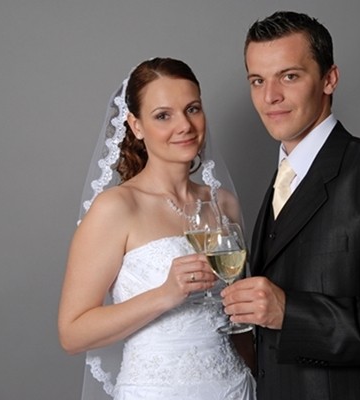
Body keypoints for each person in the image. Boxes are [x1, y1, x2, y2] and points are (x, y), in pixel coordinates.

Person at [221, 11, 360, 400]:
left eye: (289, 76)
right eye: (258, 80)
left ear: (329, 79)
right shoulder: (281, 179)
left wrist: (290, 313)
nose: (270, 96)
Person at [58, 57, 256, 400]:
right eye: (163, 115)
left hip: (235, 388)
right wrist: (165, 294)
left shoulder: (223, 204)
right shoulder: (117, 208)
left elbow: (238, 321)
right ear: (136, 126)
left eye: (192, 109)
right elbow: (72, 334)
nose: (185, 126)